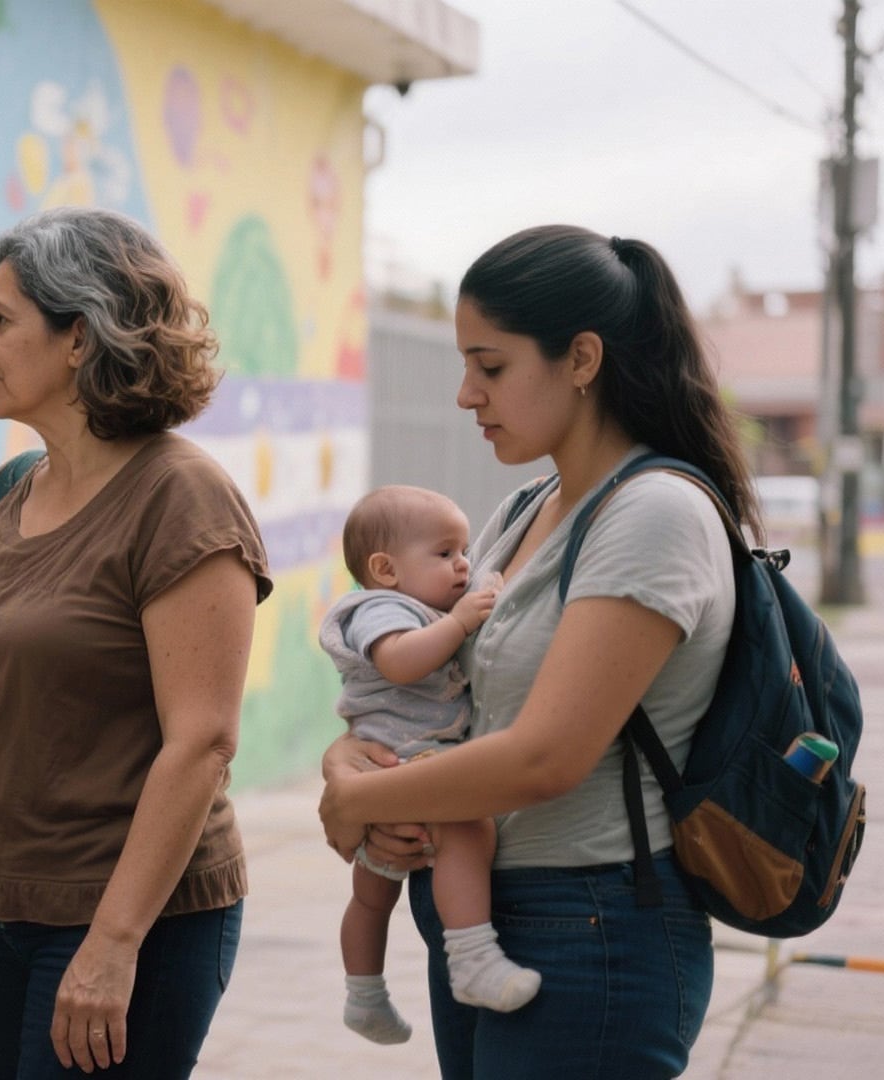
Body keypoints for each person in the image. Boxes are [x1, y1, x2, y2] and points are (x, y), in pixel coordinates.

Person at [0, 205, 271, 1079]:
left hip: (133, 920)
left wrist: (111, 944)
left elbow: (203, 741)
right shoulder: (8, 489)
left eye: (1, 319)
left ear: (79, 339)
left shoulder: (182, 499)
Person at [318, 225, 757, 1079]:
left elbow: (545, 756)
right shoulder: (528, 506)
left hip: (591, 922)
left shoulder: (653, 514)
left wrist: (358, 802)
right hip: (488, 919)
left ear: (582, 359)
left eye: (491, 367)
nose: (464, 395)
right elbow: (454, 692)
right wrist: (348, 761)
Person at [320, 485, 537, 1047]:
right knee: (469, 828)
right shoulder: (379, 609)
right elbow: (399, 662)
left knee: (372, 895)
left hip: (393, 764)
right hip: (409, 759)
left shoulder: (413, 605)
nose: (463, 564)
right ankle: (471, 957)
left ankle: (364, 998)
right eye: (445, 554)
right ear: (385, 569)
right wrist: (461, 622)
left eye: (464, 550)